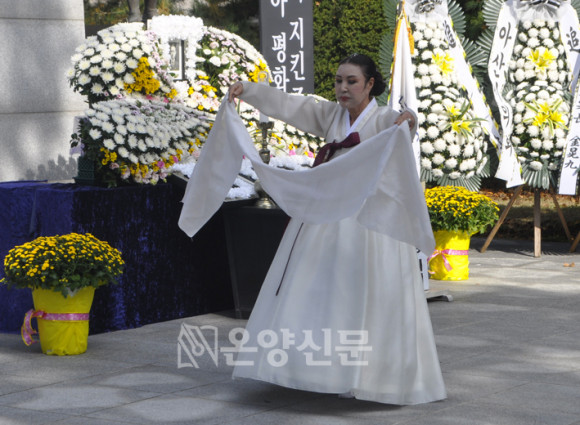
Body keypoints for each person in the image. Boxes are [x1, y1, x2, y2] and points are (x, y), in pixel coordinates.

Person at [225, 53, 446, 405]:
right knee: (316, 290)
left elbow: (407, 125)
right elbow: (290, 105)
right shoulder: (331, 115)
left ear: (370, 84)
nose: (343, 88)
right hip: (327, 214)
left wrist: (411, 120)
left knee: (366, 294)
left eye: (351, 81)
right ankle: (311, 369)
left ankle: (369, 374)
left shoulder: (385, 118)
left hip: (370, 221)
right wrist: (249, 91)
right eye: (339, 81)